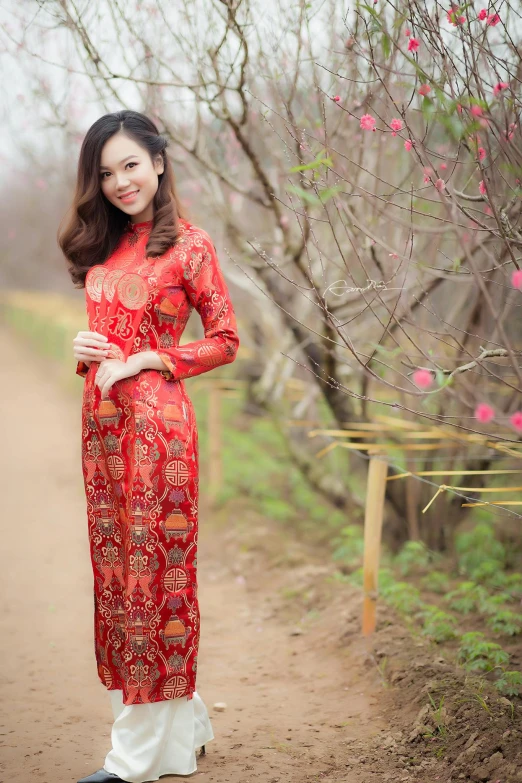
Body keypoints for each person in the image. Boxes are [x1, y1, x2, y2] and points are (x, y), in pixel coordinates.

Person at [58, 109, 240, 783]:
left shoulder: (189, 246)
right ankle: (184, 731)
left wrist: (147, 361)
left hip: (159, 435)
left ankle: (130, 762)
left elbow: (225, 338)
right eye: (105, 173)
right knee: (119, 583)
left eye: (130, 164)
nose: (119, 182)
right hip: (104, 432)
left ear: (159, 162)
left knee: (151, 587)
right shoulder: (106, 250)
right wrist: (87, 351)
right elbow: (108, 334)